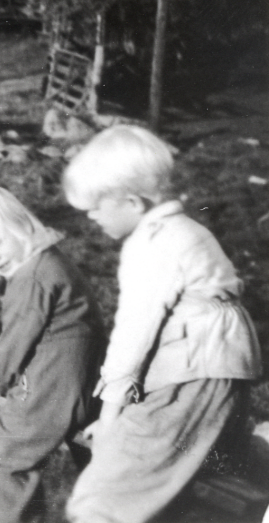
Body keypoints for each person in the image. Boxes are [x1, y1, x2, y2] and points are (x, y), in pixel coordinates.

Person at [62, 126, 262, 523]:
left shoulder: (154, 245)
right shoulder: (185, 230)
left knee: (101, 500)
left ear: (133, 202)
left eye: (95, 208)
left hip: (195, 373)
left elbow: (134, 333)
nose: (92, 218)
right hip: (210, 368)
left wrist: (112, 415)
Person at [0, 184, 103, 523]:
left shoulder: (31, 280)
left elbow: (17, 339)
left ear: (20, 225)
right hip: (80, 377)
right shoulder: (50, 261)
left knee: (3, 461)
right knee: (96, 460)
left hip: (52, 389)